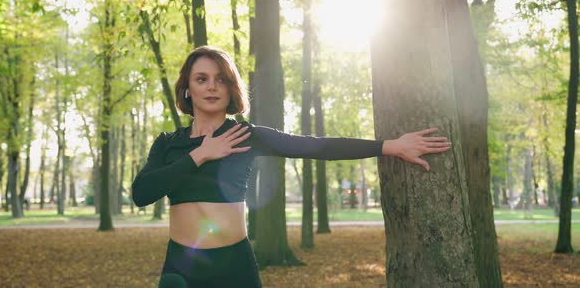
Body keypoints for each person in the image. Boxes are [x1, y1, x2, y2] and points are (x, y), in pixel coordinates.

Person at [132, 46, 452, 288]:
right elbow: (142, 193)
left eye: (221, 80)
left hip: (233, 266)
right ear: (187, 88)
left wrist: (388, 146)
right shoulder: (168, 144)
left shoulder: (247, 136)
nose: (212, 87)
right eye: (202, 79)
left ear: (231, 89)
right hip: (181, 269)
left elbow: (317, 146)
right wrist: (200, 154)